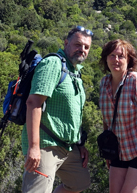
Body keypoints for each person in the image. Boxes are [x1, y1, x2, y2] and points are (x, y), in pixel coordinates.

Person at [23, 26, 94, 193]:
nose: (82, 49)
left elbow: (74, 112)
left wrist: (79, 144)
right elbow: (33, 103)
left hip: (69, 148)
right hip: (46, 144)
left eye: (86, 47)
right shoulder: (53, 64)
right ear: (66, 43)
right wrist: (34, 147)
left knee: (80, 182)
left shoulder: (75, 72)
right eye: (78, 44)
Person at [99, 39, 137, 193]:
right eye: (112, 55)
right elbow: (107, 119)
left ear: (129, 60)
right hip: (119, 150)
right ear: (106, 58)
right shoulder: (104, 83)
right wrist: (108, 149)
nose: (116, 60)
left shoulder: (136, 82)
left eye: (121, 56)